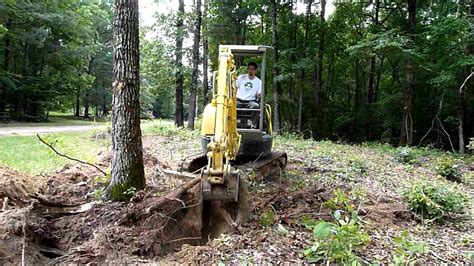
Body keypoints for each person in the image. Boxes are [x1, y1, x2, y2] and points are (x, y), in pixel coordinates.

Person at [236, 62, 261, 128]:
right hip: (239, 100)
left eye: (252, 69)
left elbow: (259, 93)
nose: (251, 70)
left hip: (250, 102)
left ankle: (253, 125)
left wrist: (259, 95)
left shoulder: (258, 81)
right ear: (247, 69)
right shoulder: (241, 77)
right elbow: (234, 87)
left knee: (257, 106)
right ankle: (231, 125)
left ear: (255, 70)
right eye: (249, 68)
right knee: (230, 106)